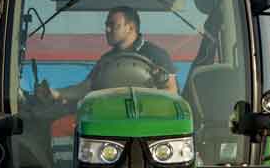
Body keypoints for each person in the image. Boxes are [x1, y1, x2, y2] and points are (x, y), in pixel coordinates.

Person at [38, 7, 177, 103]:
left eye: (112, 24)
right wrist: (56, 93)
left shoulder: (156, 55)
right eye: (106, 25)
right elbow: (87, 87)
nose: (106, 29)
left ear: (130, 28)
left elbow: (172, 91)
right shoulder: (106, 60)